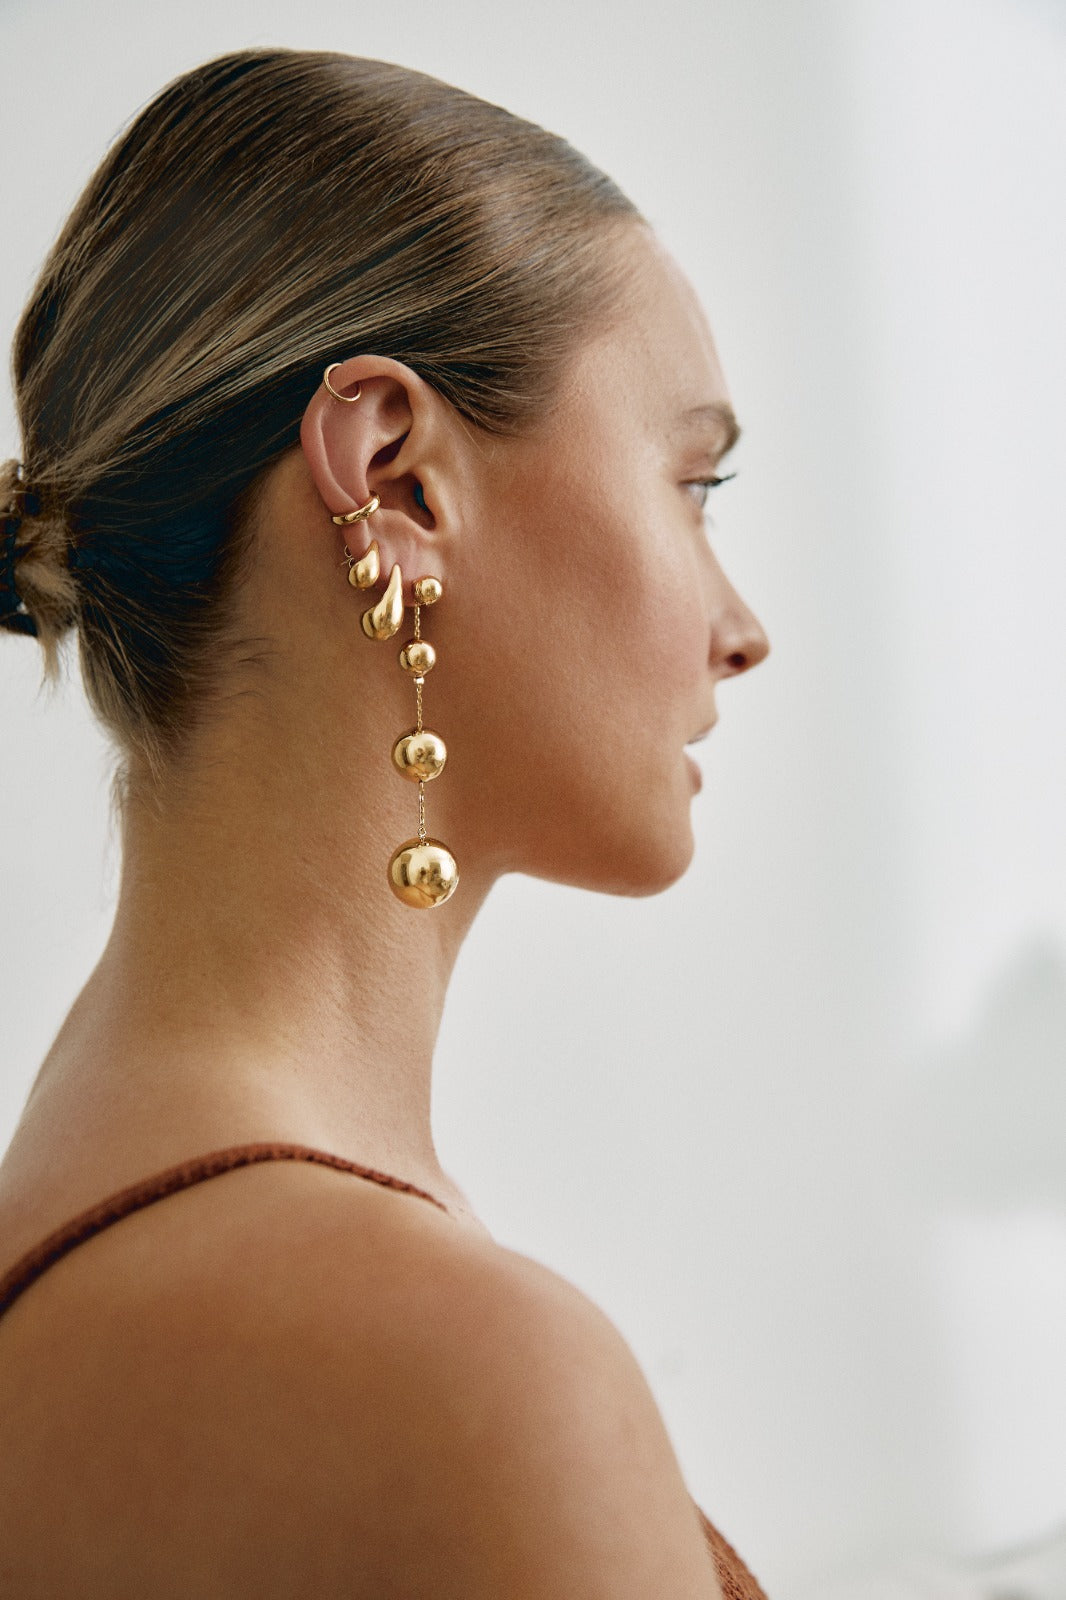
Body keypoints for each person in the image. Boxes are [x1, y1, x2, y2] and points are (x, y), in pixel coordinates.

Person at [0, 46, 771, 1599]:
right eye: (694, 485)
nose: (741, 630)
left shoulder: (78, 1225)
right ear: (393, 482)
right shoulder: (467, 1382)